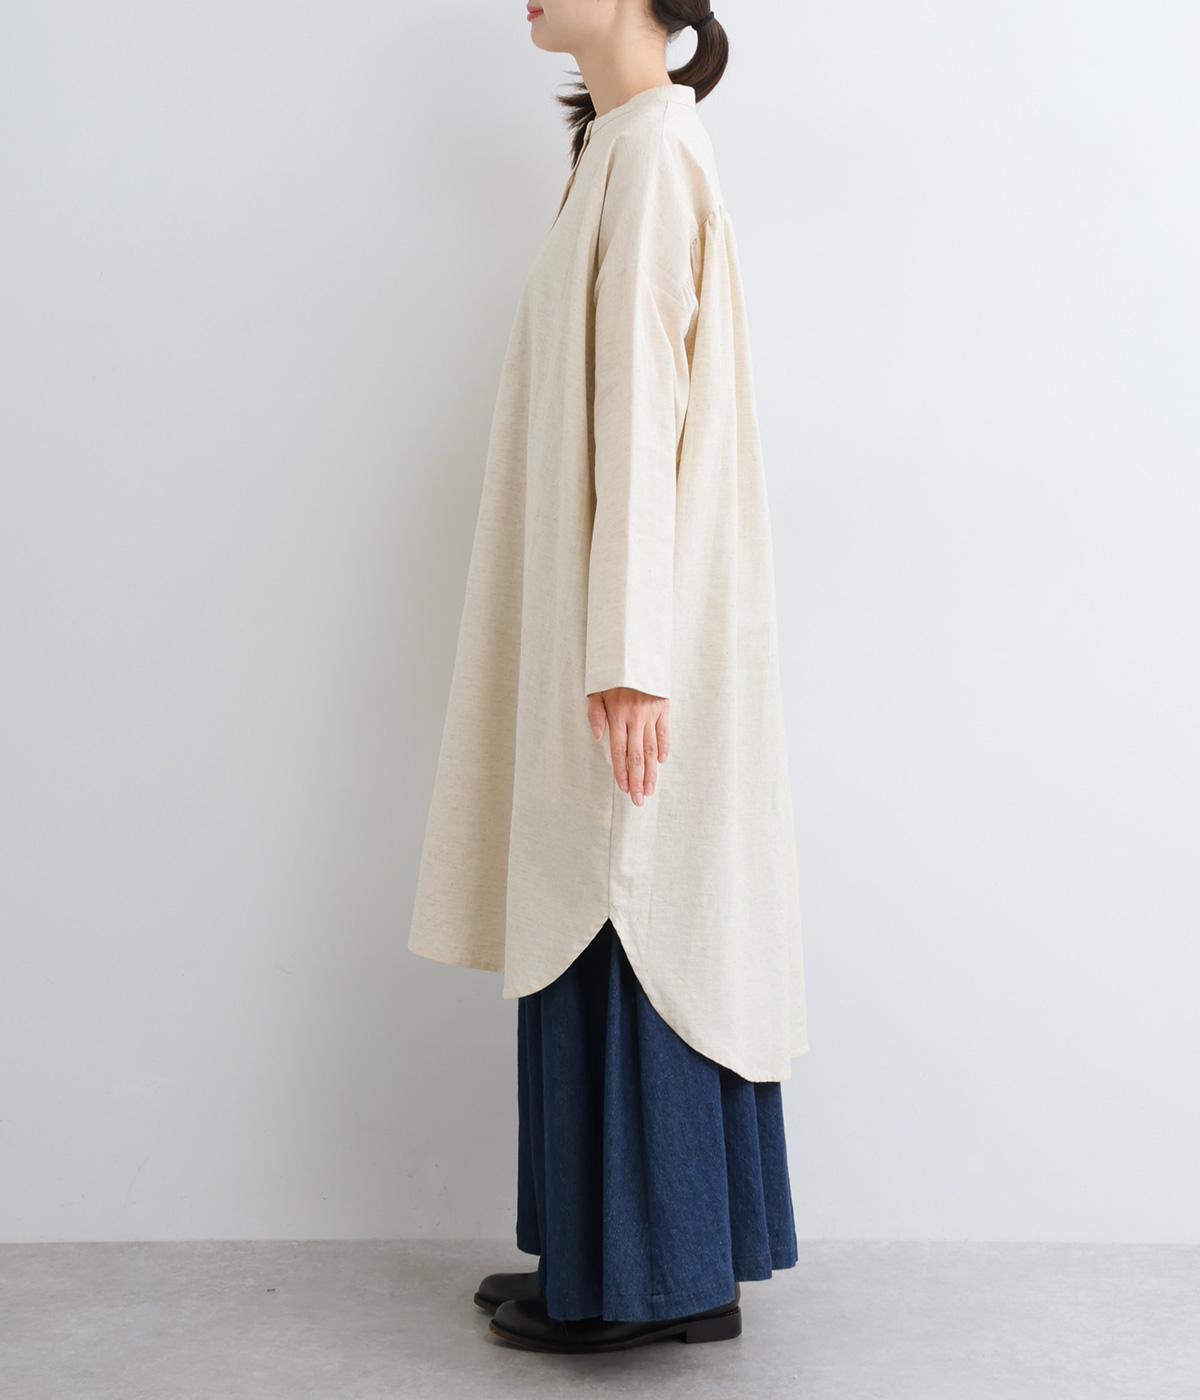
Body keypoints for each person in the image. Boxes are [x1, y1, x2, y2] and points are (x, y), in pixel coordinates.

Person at [407, 0, 809, 1354]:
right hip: (599, 613)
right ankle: (610, 1259)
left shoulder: (650, 156)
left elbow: (646, 412)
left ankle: (656, 1278)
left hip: (629, 628)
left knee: (627, 901)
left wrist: (633, 654)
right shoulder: (622, 147)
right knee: (596, 894)